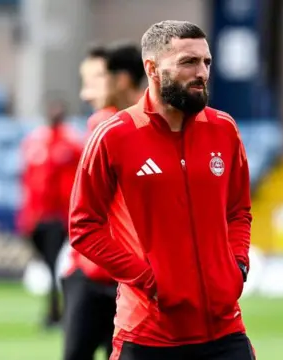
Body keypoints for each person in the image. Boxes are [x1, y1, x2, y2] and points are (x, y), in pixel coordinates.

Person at [68, 20, 255, 360]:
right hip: (148, 333)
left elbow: (238, 211)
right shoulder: (114, 136)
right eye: (188, 62)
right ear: (152, 68)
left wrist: (237, 265)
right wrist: (149, 279)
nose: (202, 73)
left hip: (224, 329)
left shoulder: (224, 129)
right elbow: (84, 227)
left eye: (206, 62)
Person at [62, 43, 145, 360]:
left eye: (96, 79)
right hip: (114, 272)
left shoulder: (108, 126)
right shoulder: (111, 125)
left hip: (108, 273)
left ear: (120, 80)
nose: (86, 93)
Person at [16, 98, 84, 329]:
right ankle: (58, 310)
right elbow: (28, 181)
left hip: (60, 217)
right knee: (49, 265)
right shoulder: (35, 142)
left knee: (56, 264)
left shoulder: (73, 143)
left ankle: (57, 312)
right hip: (38, 216)